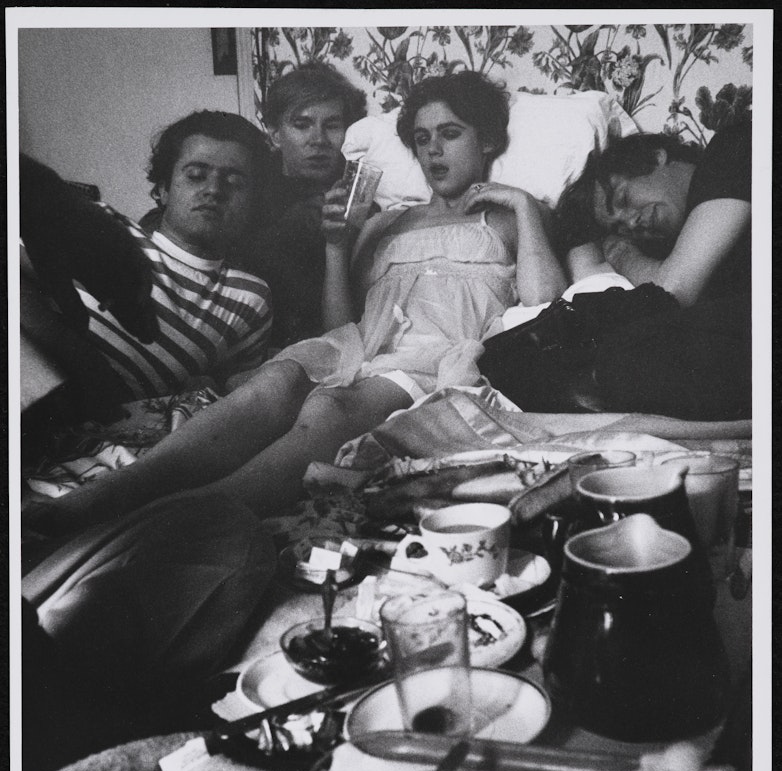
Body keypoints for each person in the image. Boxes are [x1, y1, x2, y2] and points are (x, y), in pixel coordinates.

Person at [24, 71, 565, 540]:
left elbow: (544, 306)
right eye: (422, 138)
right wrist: (337, 246)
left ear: (487, 140)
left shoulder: (508, 217)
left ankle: (185, 518)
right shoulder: (386, 221)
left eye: (450, 134)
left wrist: (522, 206)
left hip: (434, 355)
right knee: (275, 381)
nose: (433, 151)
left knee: (330, 408)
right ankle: (108, 495)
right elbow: (341, 326)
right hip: (361, 346)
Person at [20, 110, 273, 408]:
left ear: (253, 202)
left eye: (234, 182)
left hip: (112, 424)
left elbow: (235, 399)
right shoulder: (104, 227)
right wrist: (75, 352)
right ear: (164, 189)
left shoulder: (251, 298)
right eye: (196, 176)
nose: (214, 190)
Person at [555, 120, 752, 420]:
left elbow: (671, 292)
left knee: (622, 358)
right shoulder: (670, 249)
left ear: (656, 157)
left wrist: (620, 251)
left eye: (623, 199)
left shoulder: (733, 146)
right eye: (619, 228)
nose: (631, 223)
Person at [240, 63, 368, 351]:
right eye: (302, 125)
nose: (318, 140)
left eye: (332, 126)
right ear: (275, 134)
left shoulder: (359, 199)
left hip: (332, 347)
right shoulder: (250, 189)